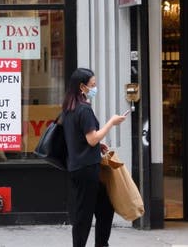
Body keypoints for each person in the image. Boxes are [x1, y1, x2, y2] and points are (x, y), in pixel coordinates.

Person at [62, 67, 128, 247]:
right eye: (93, 85)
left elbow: (79, 137)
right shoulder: (84, 110)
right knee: (84, 215)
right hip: (86, 169)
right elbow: (91, 139)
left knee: (105, 207)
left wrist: (99, 145)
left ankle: (102, 244)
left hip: (80, 166)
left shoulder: (69, 108)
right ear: (82, 87)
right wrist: (111, 123)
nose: (95, 88)